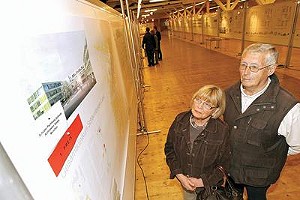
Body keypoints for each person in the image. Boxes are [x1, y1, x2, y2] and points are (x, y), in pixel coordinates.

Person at [223, 43, 300, 200]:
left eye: (253, 67)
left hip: (259, 175)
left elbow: (296, 144)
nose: (245, 72)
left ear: (271, 70)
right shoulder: (229, 94)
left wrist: (270, 153)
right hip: (231, 167)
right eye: (243, 65)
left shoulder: (287, 106)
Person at [164, 85, 231, 200]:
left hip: (211, 188)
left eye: (207, 104)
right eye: (198, 100)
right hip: (187, 185)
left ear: (215, 110)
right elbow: (170, 150)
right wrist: (180, 176)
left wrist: (202, 181)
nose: (199, 106)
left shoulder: (222, 130)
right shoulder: (180, 120)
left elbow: (225, 163)